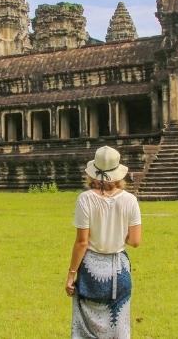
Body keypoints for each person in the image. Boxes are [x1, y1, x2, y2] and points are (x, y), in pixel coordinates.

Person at [66, 145, 142, 339]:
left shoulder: (85, 199)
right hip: (119, 271)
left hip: (91, 271)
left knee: (85, 329)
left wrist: (71, 274)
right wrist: (119, 234)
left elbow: (82, 242)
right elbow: (135, 241)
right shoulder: (130, 200)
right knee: (118, 327)